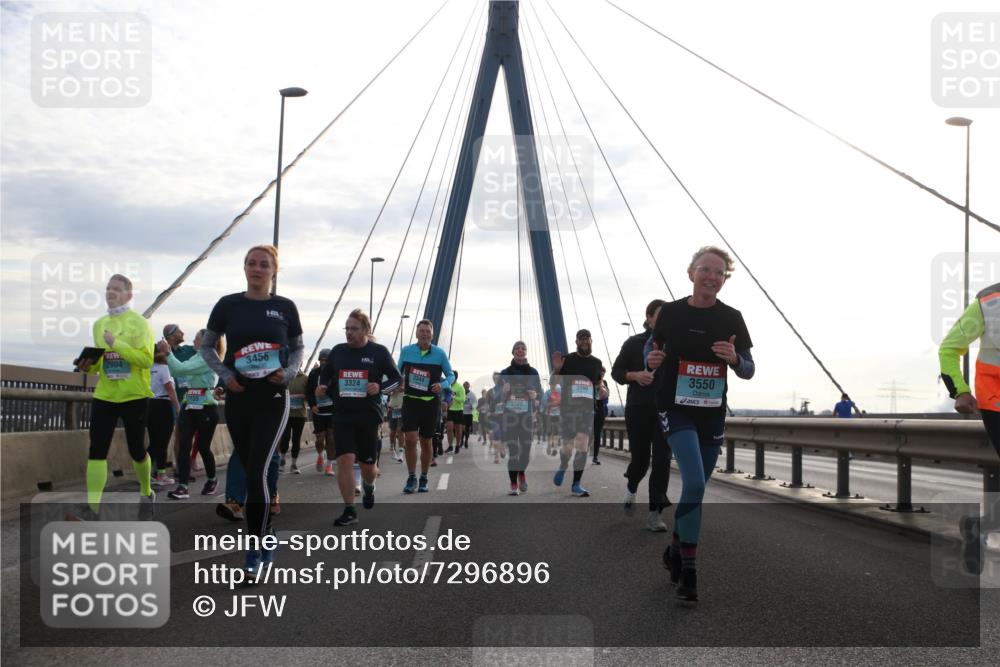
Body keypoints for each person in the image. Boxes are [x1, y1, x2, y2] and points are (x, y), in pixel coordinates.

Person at [647, 245, 755, 602]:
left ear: (724, 280)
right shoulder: (672, 314)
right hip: (675, 406)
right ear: (691, 273)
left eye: (719, 272)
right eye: (706, 269)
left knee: (696, 489)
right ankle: (690, 572)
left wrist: (735, 358)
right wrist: (652, 358)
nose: (712, 276)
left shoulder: (732, 318)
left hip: (711, 411)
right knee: (693, 480)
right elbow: (651, 350)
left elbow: (749, 370)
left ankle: (675, 552)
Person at [200, 244, 303, 575]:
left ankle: (253, 554)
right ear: (244, 268)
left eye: (263, 264)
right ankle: (267, 533)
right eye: (251, 263)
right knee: (247, 466)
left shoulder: (284, 307)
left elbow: (298, 347)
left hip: (272, 398)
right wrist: (226, 376)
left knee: (258, 470)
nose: (256, 269)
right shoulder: (228, 305)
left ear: (274, 270)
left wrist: (287, 374)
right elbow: (206, 345)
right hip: (239, 397)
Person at [72, 274, 155, 520]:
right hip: (106, 395)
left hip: (134, 395)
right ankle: (93, 508)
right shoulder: (99, 324)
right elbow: (100, 365)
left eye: (116, 289)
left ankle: (146, 491)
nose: (110, 292)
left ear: (129, 295)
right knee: (97, 449)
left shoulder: (140, 323)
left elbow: (146, 360)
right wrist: (87, 366)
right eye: (108, 288)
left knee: (136, 449)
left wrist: (116, 343)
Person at [317, 309, 401, 526]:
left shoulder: (379, 352)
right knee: (344, 460)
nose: (349, 333)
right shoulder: (338, 351)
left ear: (365, 330)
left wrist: (380, 387)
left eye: (354, 329)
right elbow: (325, 374)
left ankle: (369, 485)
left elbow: (397, 379)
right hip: (342, 415)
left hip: (368, 416)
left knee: (367, 467)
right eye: (347, 328)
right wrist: (323, 386)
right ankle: (349, 510)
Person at [939, 281, 1000, 575]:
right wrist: (960, 391)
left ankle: (980, 525)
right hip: (997, 404)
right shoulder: (989, 304)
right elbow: (949, 349)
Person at [612, 298, 673, 531]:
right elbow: (617, 372)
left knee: (662, 459)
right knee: (640, 460)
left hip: (665, 409)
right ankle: (631, 489)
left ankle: (655, 514)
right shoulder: (633, 343)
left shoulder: (674, 345)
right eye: (660, 314)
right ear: (648, 317)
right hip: (638, 408)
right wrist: (635, 376)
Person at [161, 329, 224, 499]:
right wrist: (170, 356)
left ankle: (212, 479)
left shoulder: (207, 357)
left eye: (197, 338)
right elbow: (175, 372)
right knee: (184, 445)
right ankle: (182, 486)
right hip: (190, 405)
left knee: (203, 447)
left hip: (206, 407)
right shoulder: (196, 356)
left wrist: (168, 353)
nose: (193, 341)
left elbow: (181, 369)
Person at [397, 319, 454, 494]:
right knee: (410, 440)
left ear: (432, 334)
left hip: (430, 403)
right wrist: (399, 383)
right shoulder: (406, 351)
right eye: (421, 331)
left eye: (427, 331)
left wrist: (442, 385)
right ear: (416, 333)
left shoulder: (439, 354)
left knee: (426, 442)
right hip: (411, 401)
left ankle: (424, 477)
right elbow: (397, 373)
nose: (424, 334)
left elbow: (450, 375)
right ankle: (411, 476)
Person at [552, 329, 606, 497]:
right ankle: (563, 465)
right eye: (581, 339)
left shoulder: (597, 363)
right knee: (567, 448)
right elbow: (553, 384)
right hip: (568, 409)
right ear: (576, 342)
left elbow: (598, 384)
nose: (584, 342)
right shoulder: (567, 360)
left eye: (587, 339)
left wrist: (602, 389)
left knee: (582, 444)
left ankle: (576, 484)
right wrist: (558, 370)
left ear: (591, 341)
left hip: (587, 410)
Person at [498, 341, 543, 495]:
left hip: (527, 418)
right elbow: (496, 397)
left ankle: (521, 472)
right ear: (513, 352)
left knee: (525, 452)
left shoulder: (533, 373)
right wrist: (503, 393)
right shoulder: (505, 373)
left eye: (523, 348)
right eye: (517, 348)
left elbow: (541, 395)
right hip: (510, 418)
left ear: (526, 352)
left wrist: (536, 396)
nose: (520, 350)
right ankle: (513, 484)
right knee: (513, 451)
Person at [146, 345, 179, 488]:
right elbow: (170, 389)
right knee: (163, 442)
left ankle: (147, 473)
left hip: (148, 405)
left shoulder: (147, 368)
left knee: (153, 442)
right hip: (162, 405)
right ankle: (160, 474)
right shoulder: (164, 368)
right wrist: (178, 408)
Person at [306, 349, 335, 475]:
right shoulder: (313, 374)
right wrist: (312, 405)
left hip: (332, 411)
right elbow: (308, 391)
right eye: (321, 360)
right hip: (318, 411)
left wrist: (326, 391)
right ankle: (320, 455)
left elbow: (338, 391)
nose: (323, 362)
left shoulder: (334, 374)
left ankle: (329, 465)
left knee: (331, 438)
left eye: (326, 360)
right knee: (319, 439)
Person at [280, 368, 309, 473]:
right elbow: (277, 393)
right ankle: (282, 461)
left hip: (300, 414)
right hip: (285, 414)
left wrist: (303, 396)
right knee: (285, 438)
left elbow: (310, 395)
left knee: (296, 439)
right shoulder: (283, 376)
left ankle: (294, 465)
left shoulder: (305, 378)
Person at [592, 367, 610, 465]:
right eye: (601, 373)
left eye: (603, 374)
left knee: (598, 434)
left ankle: (595, 456)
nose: (602, 375)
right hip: (590, 410)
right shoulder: (591, 382)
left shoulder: (605, 383)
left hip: (600, 411)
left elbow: (606, 398)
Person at [445, 371, 466, 454]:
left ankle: (457, 445)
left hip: (458, 410)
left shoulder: (460, 387)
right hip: (450, 410)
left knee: (458, 430)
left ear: (455, 378)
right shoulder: (447, 385)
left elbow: (463, 400)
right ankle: (450, 446)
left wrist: (454, 397)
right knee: (449, 429)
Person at [387, 389, 405, 462]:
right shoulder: (392, 379)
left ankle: (401, 452)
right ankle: (392, 447)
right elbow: (387, 391)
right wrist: (394, 390)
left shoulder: (405, 379)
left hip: (402, 408)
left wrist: (402, 388)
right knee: (393, 431)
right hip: (393, 408)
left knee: (400, 430)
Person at [462, 381, 476, 449]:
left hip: (469, 413)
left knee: (467, 428)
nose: (466, 387)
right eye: (465, 386)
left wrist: (473, 406)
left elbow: (475, 403)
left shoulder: (472, 394)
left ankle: (466, 441)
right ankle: (461, 441)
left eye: (467, 386)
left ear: (469, 386)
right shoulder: (461, 393)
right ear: (463, 386)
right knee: (462, 428)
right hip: (461, 413)